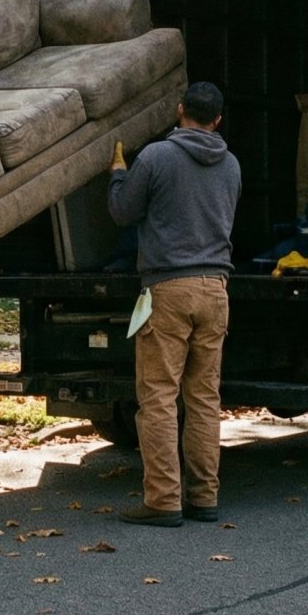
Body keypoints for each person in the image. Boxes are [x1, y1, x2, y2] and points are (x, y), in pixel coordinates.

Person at [106, 81, 241, 528]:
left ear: (179, 109)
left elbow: (123, 212)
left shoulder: (157, 157)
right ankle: (205, 497)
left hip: (168, 289)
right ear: (217, 119)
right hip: (216, 289)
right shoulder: (232, 166)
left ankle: (163, 500)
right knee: (204, 398)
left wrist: (117, 173)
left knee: (160, 398)